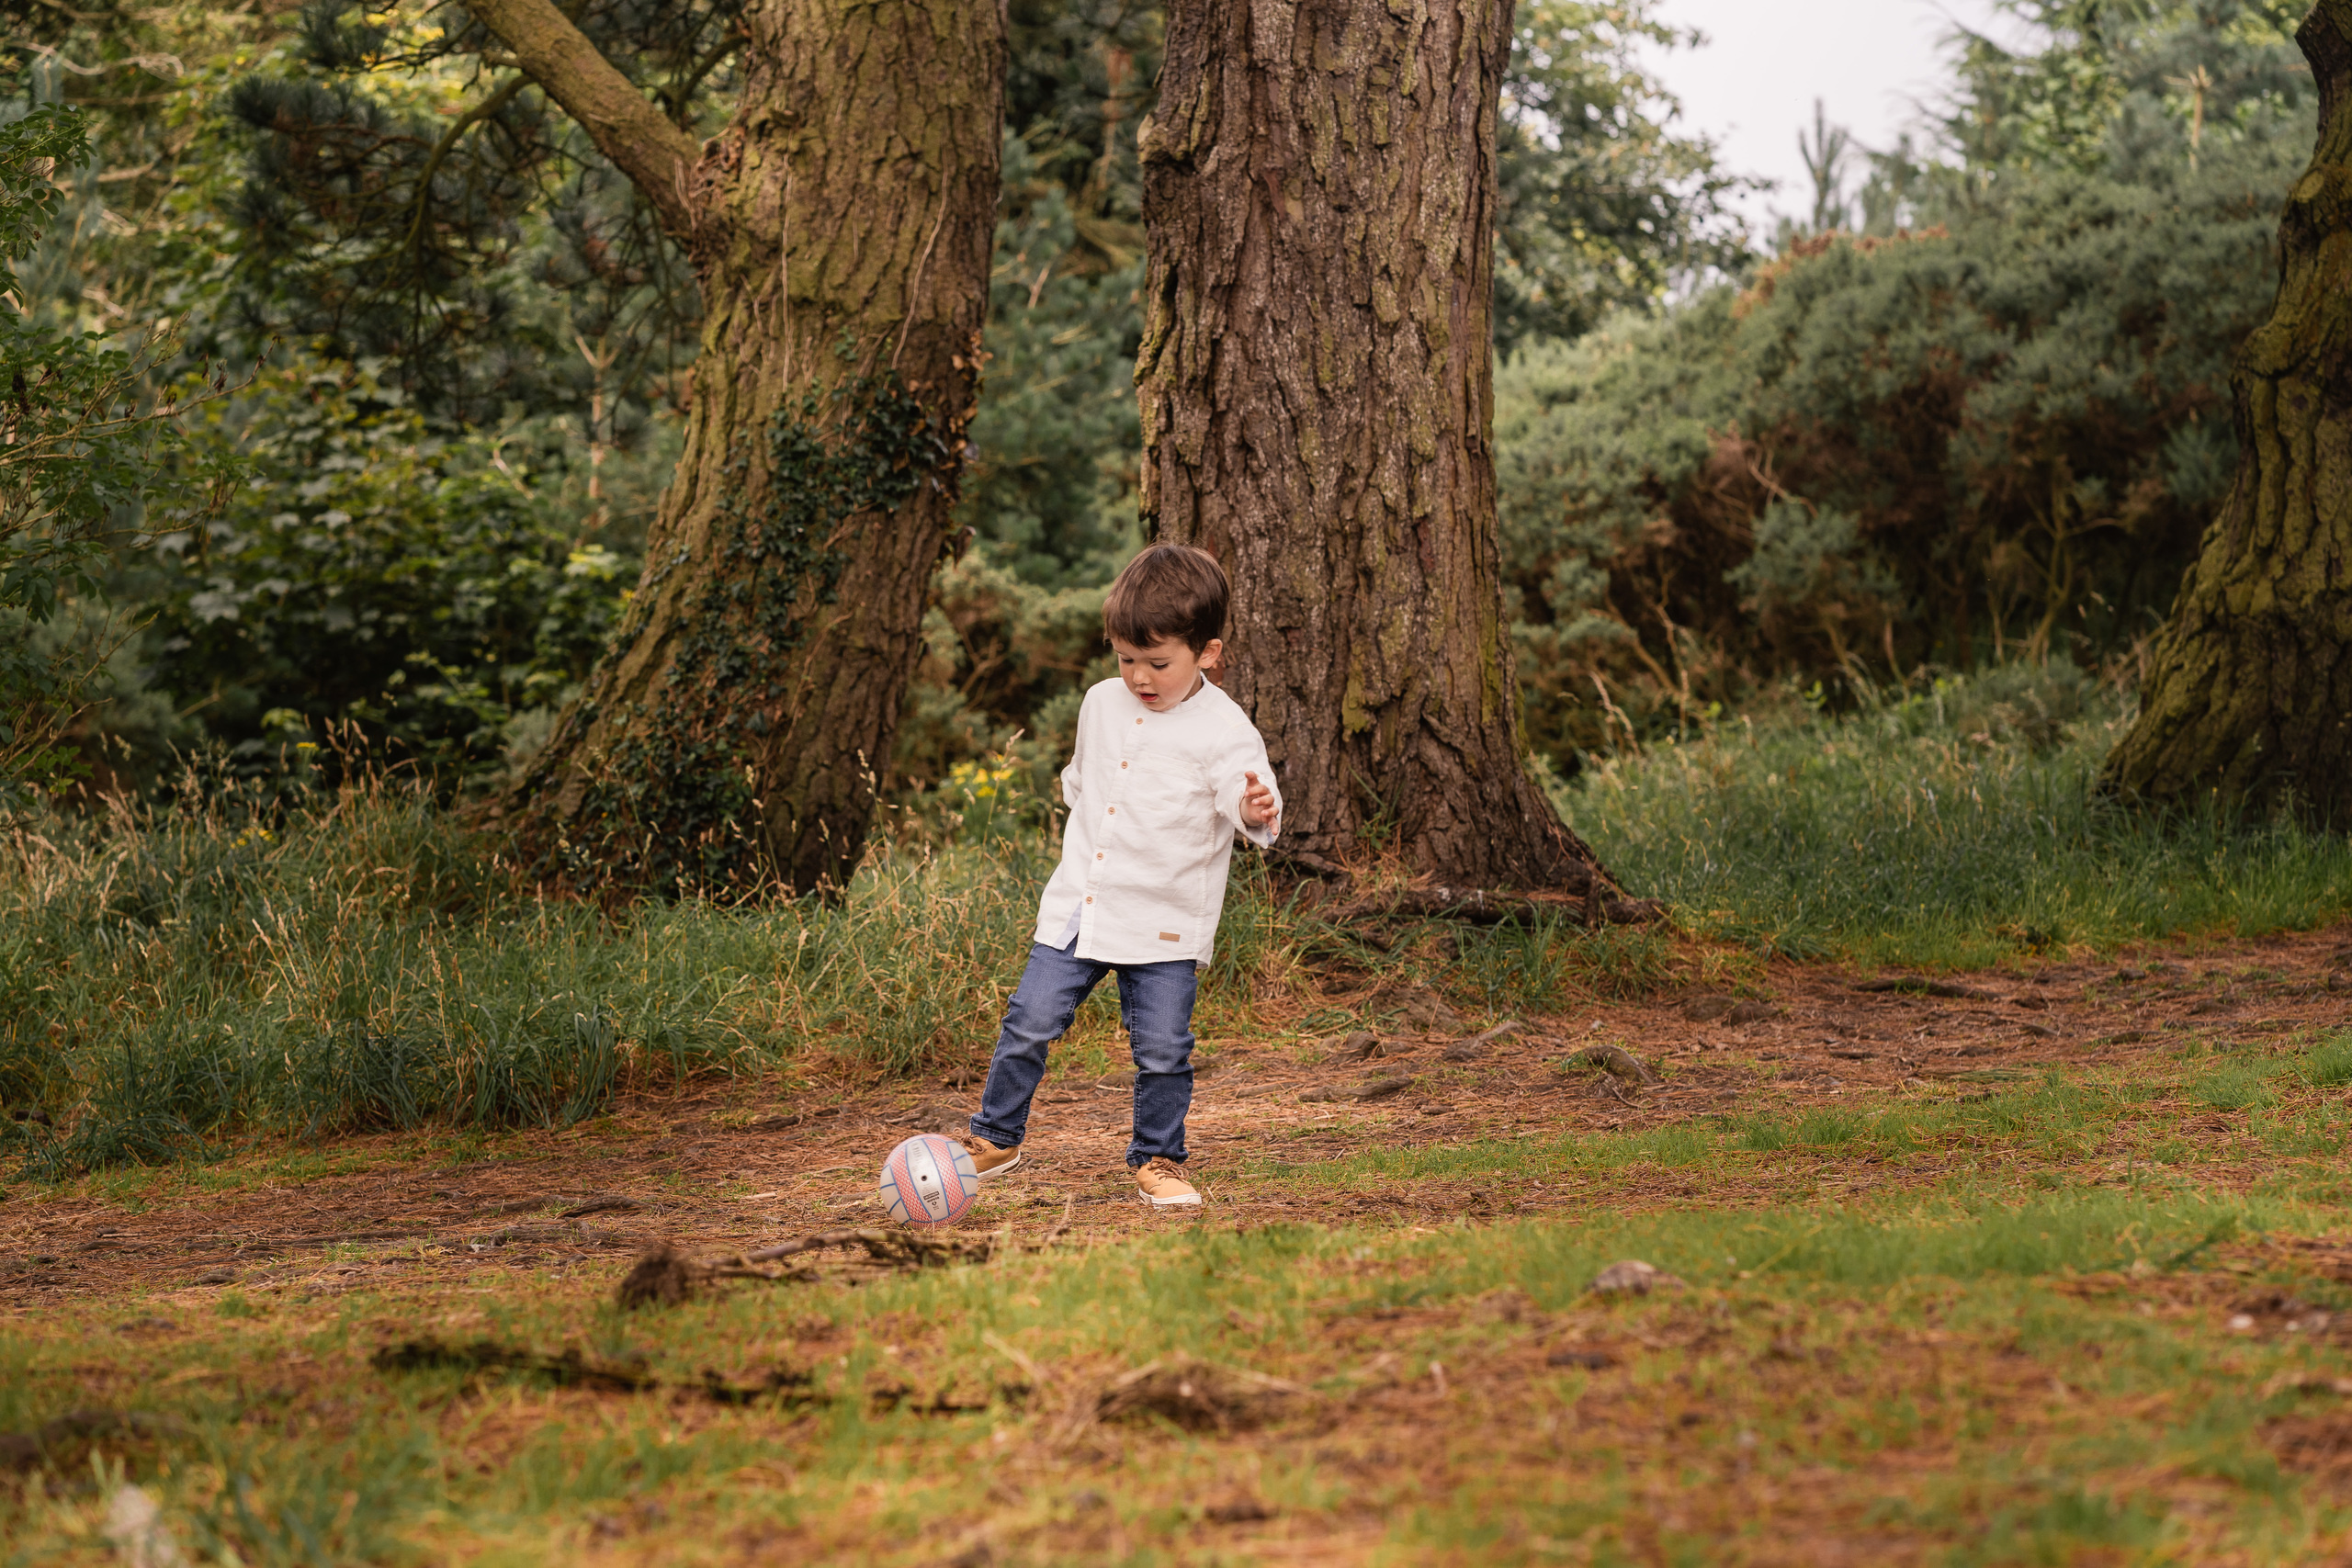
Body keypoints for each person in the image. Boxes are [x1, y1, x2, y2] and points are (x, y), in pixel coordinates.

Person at [956, 544, 1281, 1207]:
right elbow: (1084, 783)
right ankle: (996, 1135)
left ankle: (1159, 1157)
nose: (1139, 676)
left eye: (1157, 662)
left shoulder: (1224, 730)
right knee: (1029, 1019)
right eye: (1126, 658)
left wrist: (1253, 807)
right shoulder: (1100, 703)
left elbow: (1245, 797)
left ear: (1207, 654)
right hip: (1082, 903)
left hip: (1163, 922)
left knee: (1163, 1048)